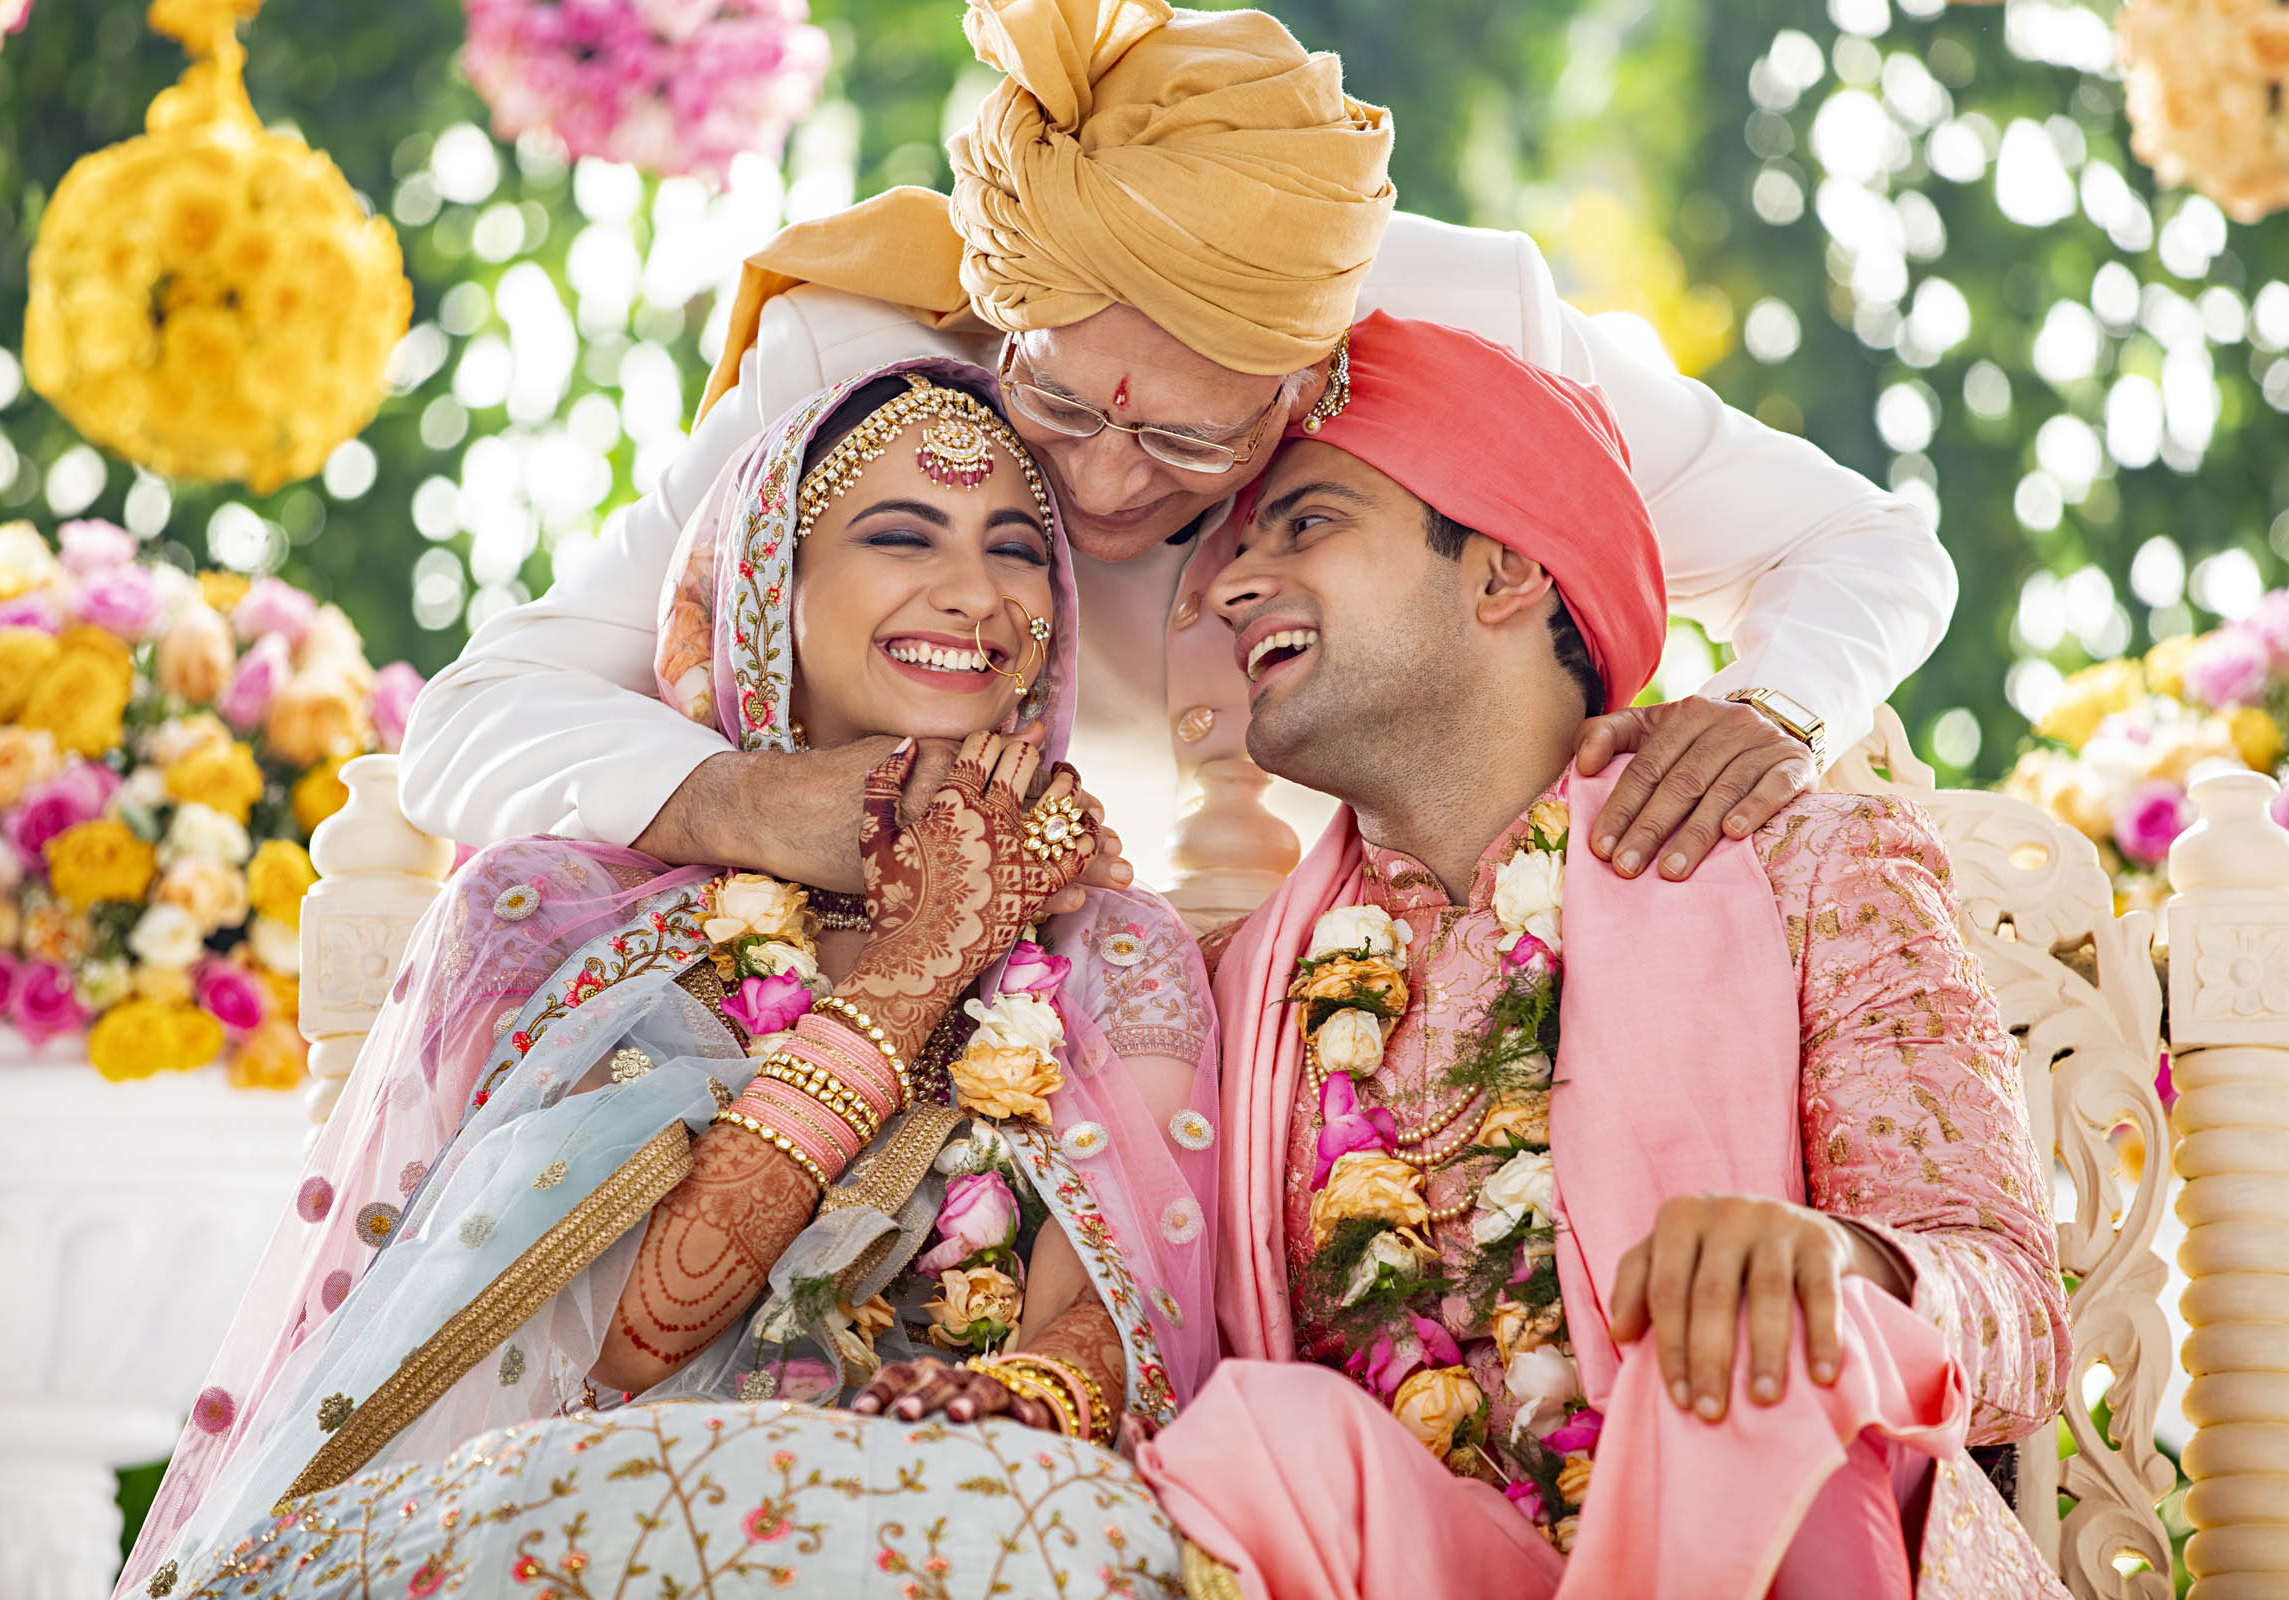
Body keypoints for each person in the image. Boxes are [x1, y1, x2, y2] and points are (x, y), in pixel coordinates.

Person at [398, 0, 1956, 921]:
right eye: (1059, 406)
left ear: (1315, 380)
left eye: (1192, 438)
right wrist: (749, 804)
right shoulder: (857, 363)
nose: (1102, 485)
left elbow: (1866, 544)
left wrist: (1772, 710)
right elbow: (479, 716)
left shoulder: (1471, 330)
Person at [119, 362, 1224, 1599]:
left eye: (1016, 551)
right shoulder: (572, 918)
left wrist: (1005, 1406)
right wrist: (928, 959)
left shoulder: (1111, 944)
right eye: (902, 535)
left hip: (953, 1526)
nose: (976, 592)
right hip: (592, 1523)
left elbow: (1112, 1320)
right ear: (766, 587)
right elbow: (631, 1340)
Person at [1134, 314, 2068, 1598]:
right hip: (1442, 1563)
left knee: (1741, 1344)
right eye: (1241, 549)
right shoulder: (1231, 995)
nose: (1236, 586)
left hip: (1771, 1528)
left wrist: (1843, 1267)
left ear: (1506, 569)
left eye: (1306, 524)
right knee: (1265, 1436)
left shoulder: (1805, 868)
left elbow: (2018, 1315)